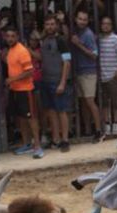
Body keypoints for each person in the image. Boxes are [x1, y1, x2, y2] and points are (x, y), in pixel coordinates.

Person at [4, 24, 43, 159]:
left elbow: (30, 71)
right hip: (16, 89)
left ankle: (37, 146)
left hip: (26, 89)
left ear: (17, 37)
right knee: (21, 118)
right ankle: (26, 144)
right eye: (8, 36)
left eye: (12, 36)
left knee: (31, 118)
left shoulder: (22, 51)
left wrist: (12, 79)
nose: (10, 38)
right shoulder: (11, 50)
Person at [39, 14, 72, 152]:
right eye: (47, 24)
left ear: (56, 25)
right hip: (46, 81)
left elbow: (67, 62)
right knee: (51, 112)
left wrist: (62, 83)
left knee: (61, 111)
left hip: (57, 81)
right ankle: (55, 139)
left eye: (52, 24)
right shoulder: (44, 40)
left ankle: (65, 140)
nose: (50, 27)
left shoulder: (61, 41)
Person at [71, 10, 103, 142]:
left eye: (84, 19)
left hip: (88, 72)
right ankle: (88, 130)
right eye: (80, 19)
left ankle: (99, 130)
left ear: (88, 21)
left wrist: (79, 45)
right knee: (84, 102)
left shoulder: (88, 34)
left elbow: (95, 55)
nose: (82, 21)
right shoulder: (78, 32)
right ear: (75, 19)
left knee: (90, 101)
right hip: (79, 71)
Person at [98, 16, 117, 138]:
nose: (105, 26)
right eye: (104, 24)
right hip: (102, 75)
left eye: (108, 24)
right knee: (104, 103)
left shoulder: (116, 39)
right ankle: (107, 125)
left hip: (113, 75)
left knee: (116, 102)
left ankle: (116, 125)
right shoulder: (98, 39)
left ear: (111, 26)